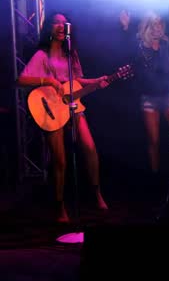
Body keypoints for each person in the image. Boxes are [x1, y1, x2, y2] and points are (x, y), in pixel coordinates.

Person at [16, 12, 109, 223]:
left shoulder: (71, 54)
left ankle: (96, 193)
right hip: (51, 108)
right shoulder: (42, 55)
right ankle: (60, 206)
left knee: (90, 148)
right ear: (49, 27)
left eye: (63, 22)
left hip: (73, 106)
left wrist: (99, 81)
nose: (60, 25)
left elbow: (78, 81)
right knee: (60, 160)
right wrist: (47, 80)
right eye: (56, 22)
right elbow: (20, 80)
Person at [129, 11, 169, 185]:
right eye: (154, 25)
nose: (158, 28)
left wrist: (165, 45)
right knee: (153, 139)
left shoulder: (166, 45)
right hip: (149, 97)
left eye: (160, 24)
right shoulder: (141, 48)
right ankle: (155, 178)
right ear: (148, 28)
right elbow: (144, 72)